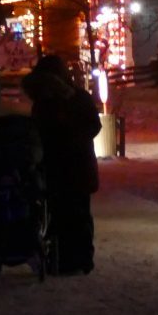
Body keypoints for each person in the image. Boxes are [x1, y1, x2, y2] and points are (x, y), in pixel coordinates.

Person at [23, 55, 102, 275]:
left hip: (69, 164)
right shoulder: (54, 101)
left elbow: (91, 126)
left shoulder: (62, 101)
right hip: (65, 164)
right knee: (67, 213)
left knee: (72, 212)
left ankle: (77, 258)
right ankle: (70, 257)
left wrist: (68, 130)